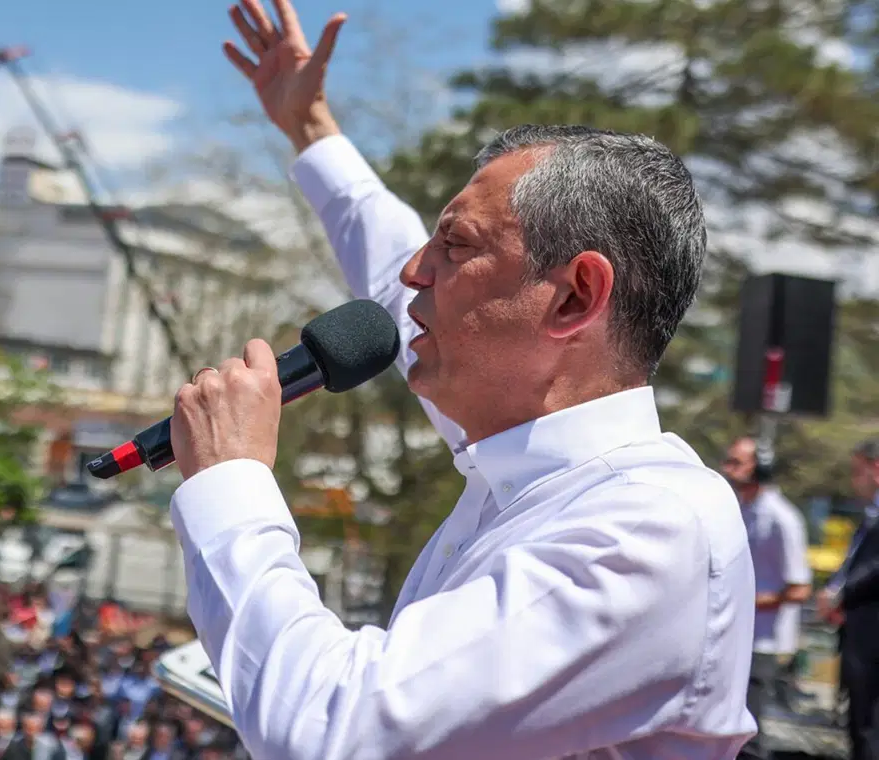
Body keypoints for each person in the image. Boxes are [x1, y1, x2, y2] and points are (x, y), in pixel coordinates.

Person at [162, 1, 757, 758]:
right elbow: (388, 261)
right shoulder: (530, 456)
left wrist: (231, 481)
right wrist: (310, 129)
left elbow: (331, 729)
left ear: (575, 297)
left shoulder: (647, 529)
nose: (416, 271)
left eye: (455, 245)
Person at [720, 436, 812, 759]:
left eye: (736, 463)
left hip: (763, 642)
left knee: (749, 738)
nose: (726, 469)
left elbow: (799, 588)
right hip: (735, 635)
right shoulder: (741, 509)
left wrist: (746, 601)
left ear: (761, 468)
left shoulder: (782, 518)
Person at [818, 438, 879, 760]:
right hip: (858, 634)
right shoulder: (869, 515)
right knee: (859, 726)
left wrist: (840, 595)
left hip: (872, 640)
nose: (854, 481)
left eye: (858, 471)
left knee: (870, 730)